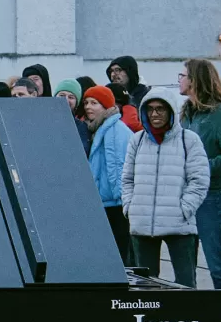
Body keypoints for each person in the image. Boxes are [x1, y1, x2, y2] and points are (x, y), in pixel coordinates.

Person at [180, 58, 221, 322]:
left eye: (183, 75)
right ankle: (188, 320)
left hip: (210, 197)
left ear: (196, 80)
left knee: (217, 262)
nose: (179, 80)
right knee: (185, 262)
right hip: (184, 197)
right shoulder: (186, 114)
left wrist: (204, 169)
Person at [121, 93, 208, 287]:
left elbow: (199, 180)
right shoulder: (137, 140)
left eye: (160, 108)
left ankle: (185, 317)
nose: (155, 114)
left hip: (179, 226)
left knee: (186, 284)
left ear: (170, 111)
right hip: (142, 224)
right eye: (150, 109)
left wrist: (184, 209)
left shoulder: (189, 139)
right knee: (145, 285)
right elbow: (127, 179)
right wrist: (130, 207)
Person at [84, 86, 134, 263]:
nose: (88, 107)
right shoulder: (97, 128)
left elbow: (118, 166)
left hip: (114, 203)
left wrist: (120, 197)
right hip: (104, 201)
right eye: (86, 102)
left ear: (106, 106)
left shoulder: (116, 131)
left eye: (94, 103)